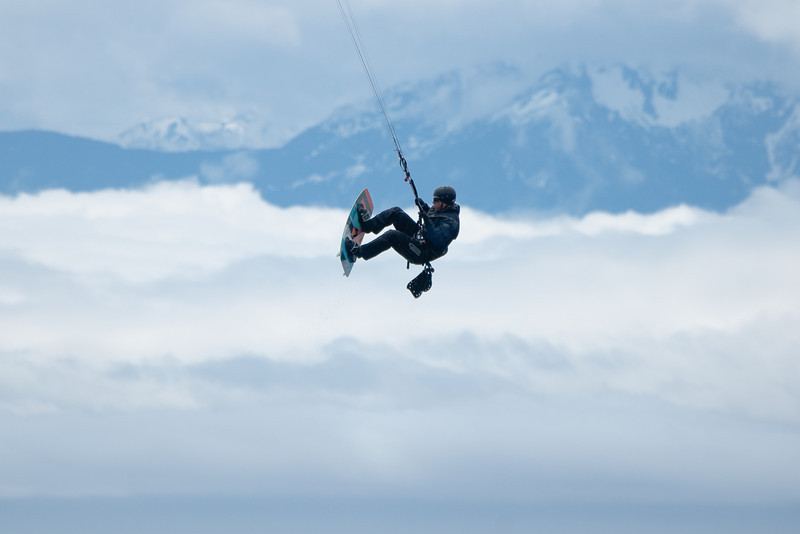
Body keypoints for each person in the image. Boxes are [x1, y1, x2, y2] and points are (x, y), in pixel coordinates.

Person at [345, 185, 460, 265]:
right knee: (396, 213)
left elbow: (435, 239)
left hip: (421, 252)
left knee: (392, 236)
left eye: (436, 201)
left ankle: (358, 252)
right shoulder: (441, 210)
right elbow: (434, 219)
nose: (433, 203)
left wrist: (425, 217)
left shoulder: (452, 223)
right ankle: (368, 226)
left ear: (445, 203)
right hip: (419, 236)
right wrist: (424, 206)